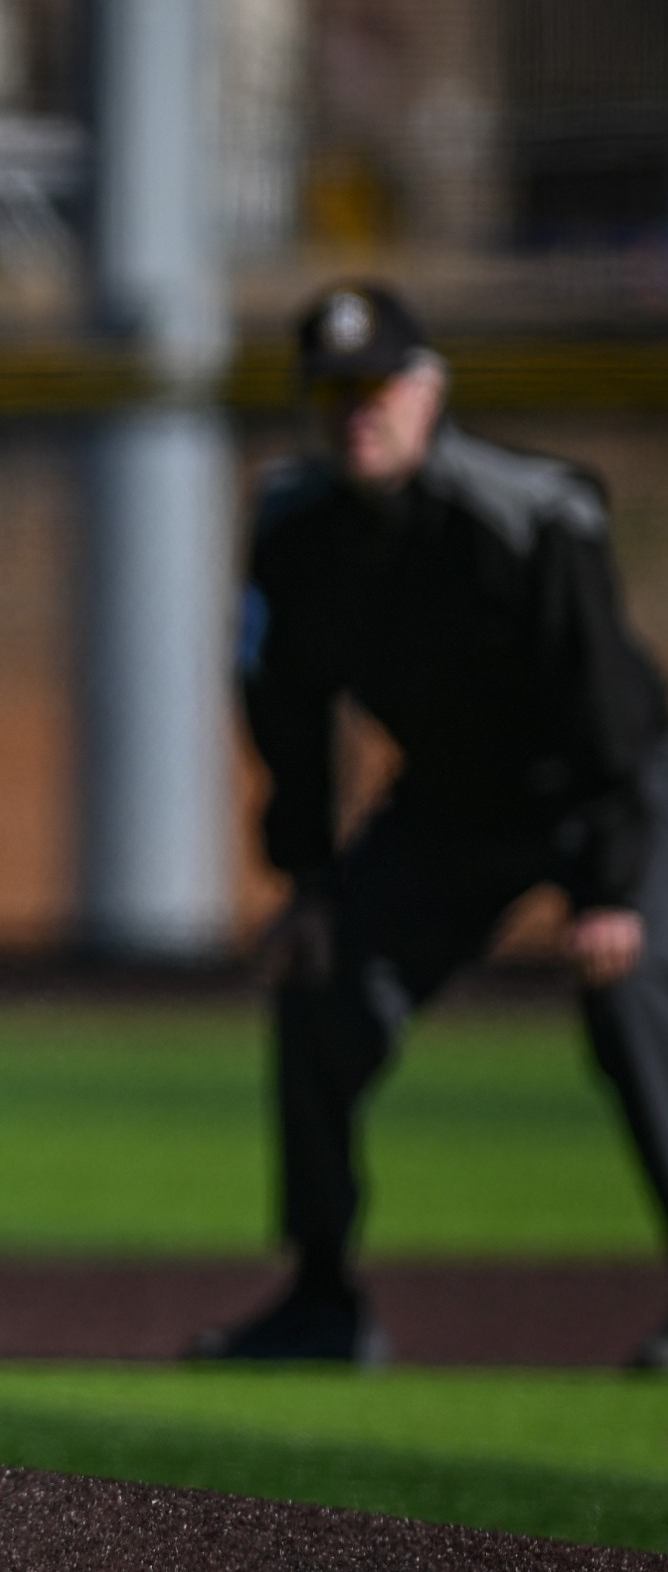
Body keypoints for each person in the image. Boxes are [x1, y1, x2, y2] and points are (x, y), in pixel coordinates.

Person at [193, 282, 668, 1366]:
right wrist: (308, 881)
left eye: (377, 386)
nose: (356, 409)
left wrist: (608, 885)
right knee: (318, 981)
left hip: (604, 791)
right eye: (333, 390)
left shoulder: (531, 512)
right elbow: (288, 714)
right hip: (450, 805)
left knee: (635, 998)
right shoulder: (294, 525)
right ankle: (321, 1298)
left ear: (427, 390)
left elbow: (612, 715)